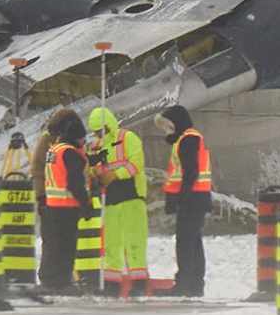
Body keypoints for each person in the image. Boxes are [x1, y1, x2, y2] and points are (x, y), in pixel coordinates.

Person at [86, 105, 149, 298]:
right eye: (96, 132)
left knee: (134, 240)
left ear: (109, 125)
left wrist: (114, 175)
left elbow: (136, 163)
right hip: (110, 200)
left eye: (101, 130)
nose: (98, 134)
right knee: (111, 242)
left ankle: (139, 282)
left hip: (132, 197)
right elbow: (91, 170)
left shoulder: (128, 138)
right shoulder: (95, 146)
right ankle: (111, 284)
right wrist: (95, 173)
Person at [157, 105, 211, 297]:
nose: (167, 130)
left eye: (169, 125)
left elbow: (190, 172)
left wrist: (182, 197)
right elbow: (180, 174)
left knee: (186, 243)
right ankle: (195, 285)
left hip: (192, 198)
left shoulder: (189, 138)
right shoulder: (184, 139)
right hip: (195, 197)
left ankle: (185, 285)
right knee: (193, 241)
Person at [37, 108, 89, 291]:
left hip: (52, 203)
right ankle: (61, 282)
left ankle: (50, 279)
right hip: (65, 205)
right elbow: (74, 181)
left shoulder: (55, 148)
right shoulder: (67, 151)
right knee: (65, 245)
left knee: (52, 244)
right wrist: (86, 202)